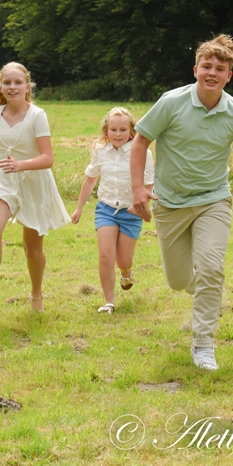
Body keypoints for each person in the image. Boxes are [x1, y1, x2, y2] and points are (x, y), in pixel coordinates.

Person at [130, 34, 233, 371]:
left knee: (212, 269)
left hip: (213, 200)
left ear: (229, 76)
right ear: (195, 70)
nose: (212, 73)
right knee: (178, 281)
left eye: (220, 68)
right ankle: (205, 290)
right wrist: (138, 188)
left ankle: (203, 344)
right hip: (170, 203)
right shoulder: (171, 102)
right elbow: (140, 141)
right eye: (207, 66)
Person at [0, 62, 70, 312]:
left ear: (28, 87)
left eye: (18, 82)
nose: (12, 87)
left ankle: (36, 294)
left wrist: (21, 165)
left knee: (33, 251)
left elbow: (48, 158)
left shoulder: (37, 115)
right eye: (7, 82)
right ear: (0, 86)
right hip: (4, 180)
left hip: (34, 182)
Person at [71, 107, 154, 314]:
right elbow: (90, 180)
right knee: (105, 255)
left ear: (131, 131)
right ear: (106, 130)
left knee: (123, 260)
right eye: (113, 130)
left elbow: (149, 184)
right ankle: (109, 302)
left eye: (123, 130)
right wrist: (79, 208)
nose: (118, 134)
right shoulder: (101, 151)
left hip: (131, 212)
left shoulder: (143, 152)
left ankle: (126, 271)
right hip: (106, 209)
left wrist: (139, 204)